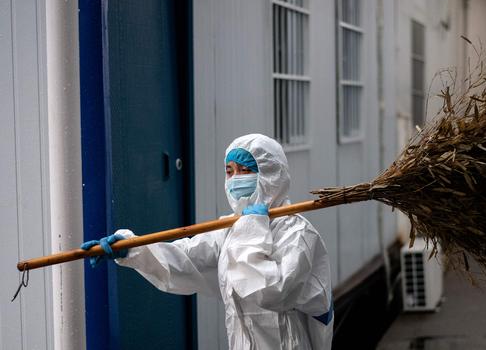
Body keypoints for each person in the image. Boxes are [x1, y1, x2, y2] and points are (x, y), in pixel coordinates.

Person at [83, 134, 334, 349]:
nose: (236, 179)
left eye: (245, 170)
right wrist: (131, 249)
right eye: (229, 171)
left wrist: (251, 231)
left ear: (271, 174)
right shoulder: (232, 228)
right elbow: (187, 259)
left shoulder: (296, 232)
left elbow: (273, 291)